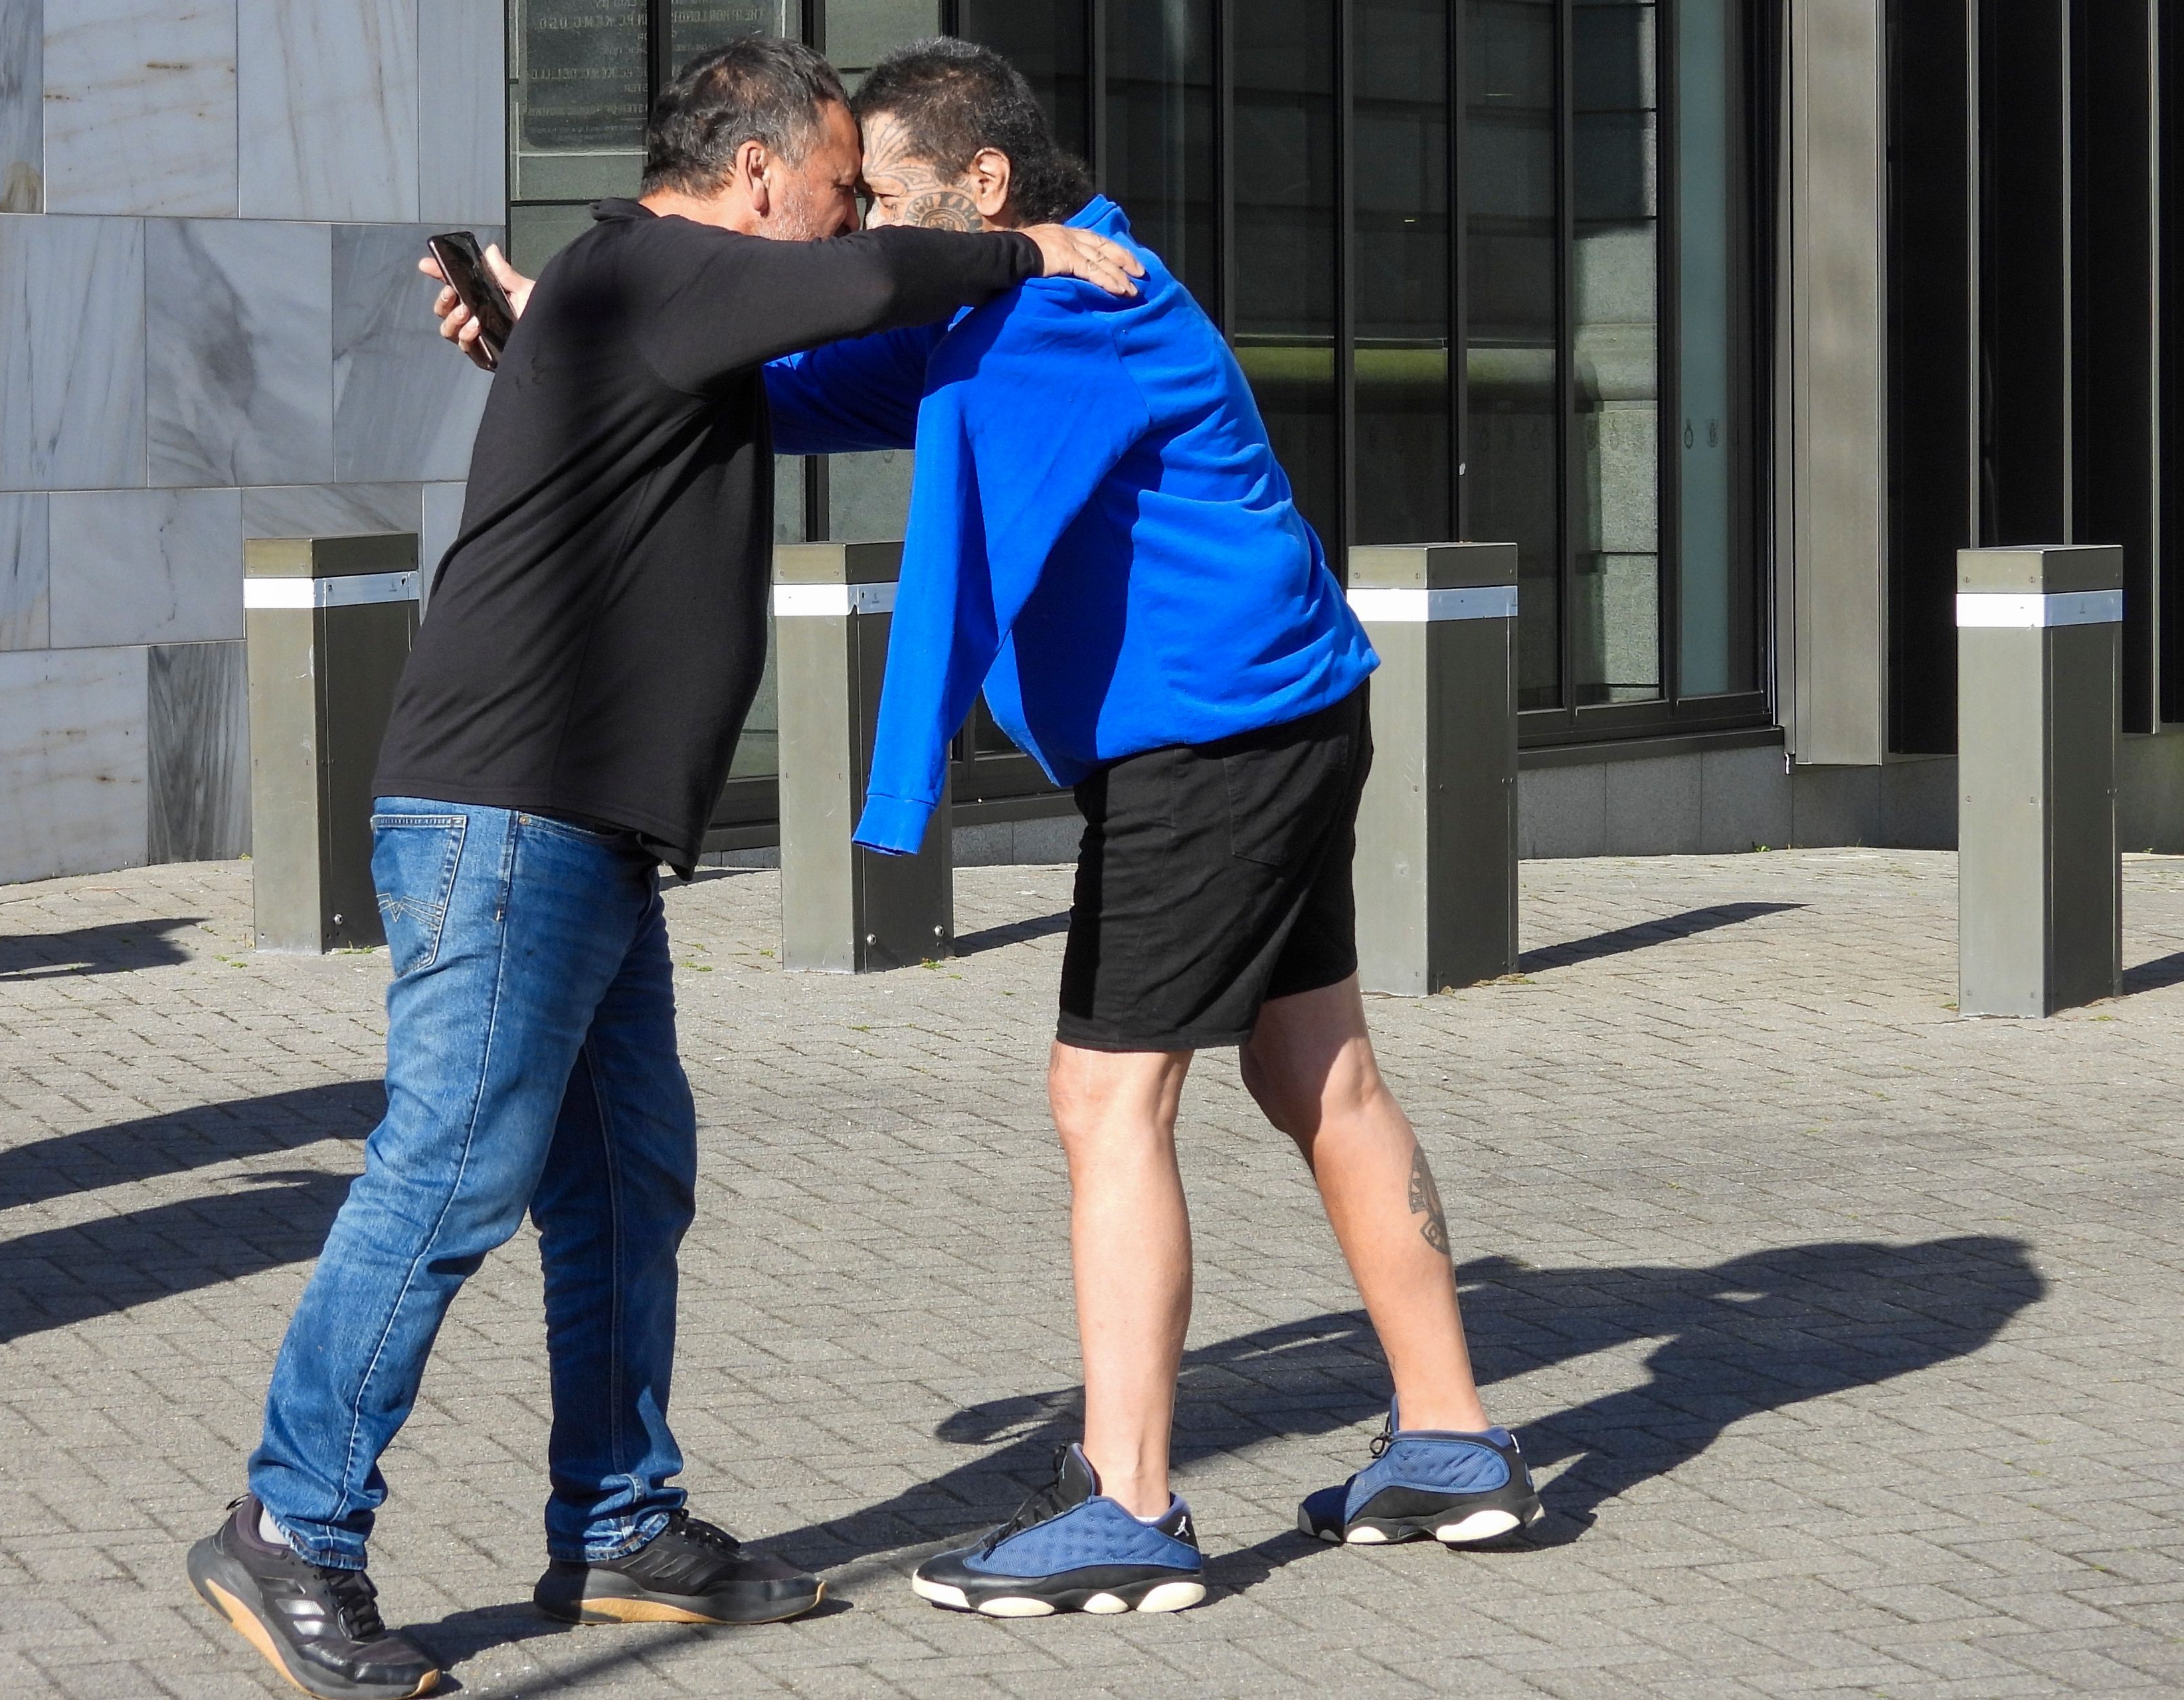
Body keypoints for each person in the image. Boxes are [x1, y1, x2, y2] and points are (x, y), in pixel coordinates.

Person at [184, 37, 1144, 1700]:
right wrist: (1027, 245)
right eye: (840, 189)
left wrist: (525, 304)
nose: (853, 218)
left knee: (632, 1177)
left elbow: (723, 334)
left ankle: (621, 1522)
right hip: (509, 816)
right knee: (450, 1170)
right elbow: (862, 294)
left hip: (585, 834)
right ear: (758, 170)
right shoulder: (655, 266)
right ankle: (291, 1526)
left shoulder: (631, 294)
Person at [759, 38, 1547, 1617]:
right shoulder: (1024, 292)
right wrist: (563, 342)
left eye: (884, 201)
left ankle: (1128, 1503)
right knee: (1316, 1067)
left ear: (982, 190)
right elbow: (814, 381)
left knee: (1103, 1100)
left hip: (1214, 746)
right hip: (1284, 707)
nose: (860, 238)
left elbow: (845, 385)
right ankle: (1453, 1437)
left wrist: (646, 315)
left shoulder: (1056, 308)